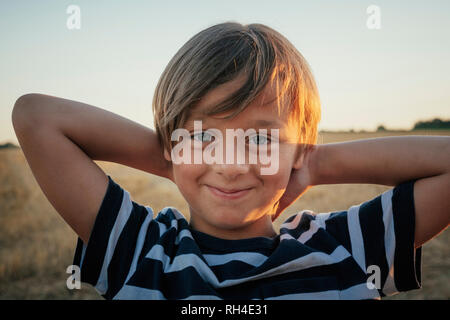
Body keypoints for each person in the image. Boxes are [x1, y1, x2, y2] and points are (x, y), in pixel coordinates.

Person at [12, 22, 449, 300]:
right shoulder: (143, 249)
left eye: (260, 138)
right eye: (203, 136)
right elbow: (37, 116)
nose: (230, 164)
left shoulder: (343, 248)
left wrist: (312, 163)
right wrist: (175, 156)